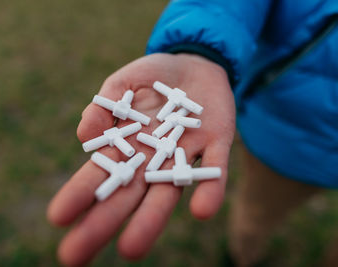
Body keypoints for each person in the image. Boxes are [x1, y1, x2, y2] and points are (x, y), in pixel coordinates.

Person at [47, 1, 338, 266]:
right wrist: (201, 52)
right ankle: (243, 255)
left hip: (282, 132)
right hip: (287, 142)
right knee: (257, 215)